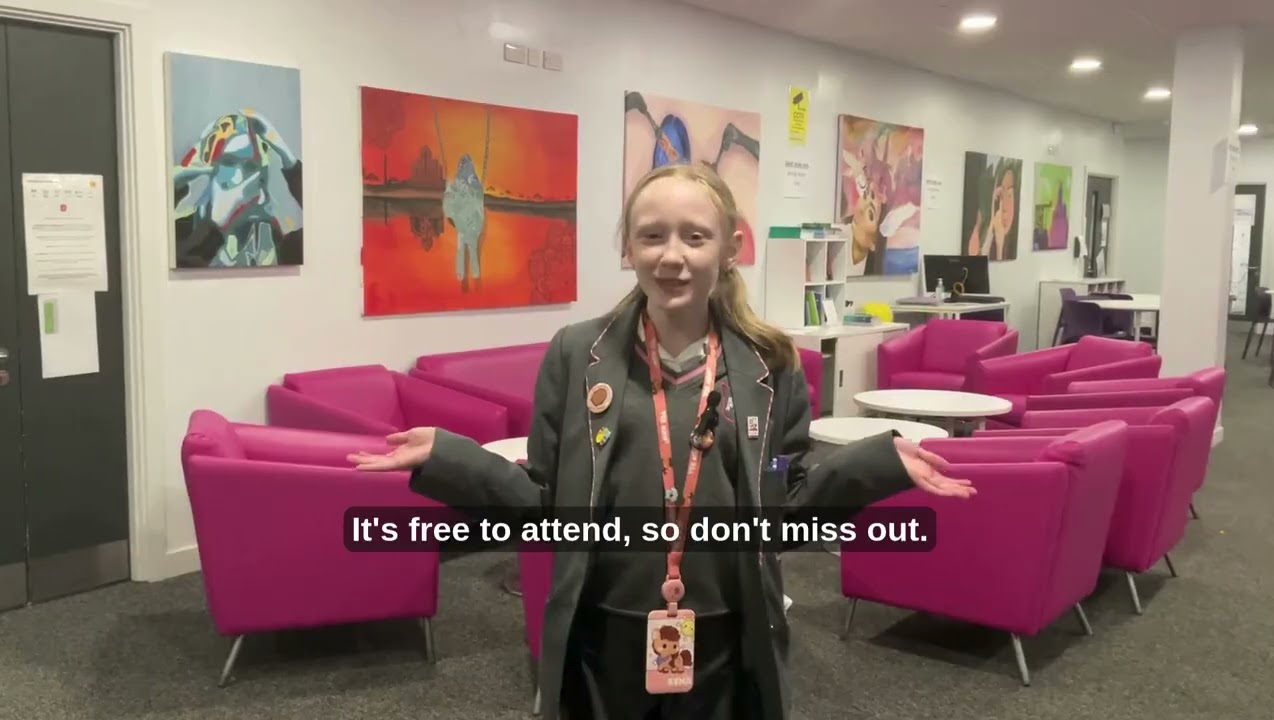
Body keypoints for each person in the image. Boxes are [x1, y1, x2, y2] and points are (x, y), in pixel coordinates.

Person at [348, 163, 975, 719]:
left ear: (729, 248)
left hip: (728, 632)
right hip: (603, 631)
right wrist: (451, 457)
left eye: (694, 237)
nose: (672, 256)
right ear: (629, 246)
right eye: (652, 236)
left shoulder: (771, 365)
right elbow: (542, 506)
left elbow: (787, 512)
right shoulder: (577, 354)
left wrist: (873, 464)